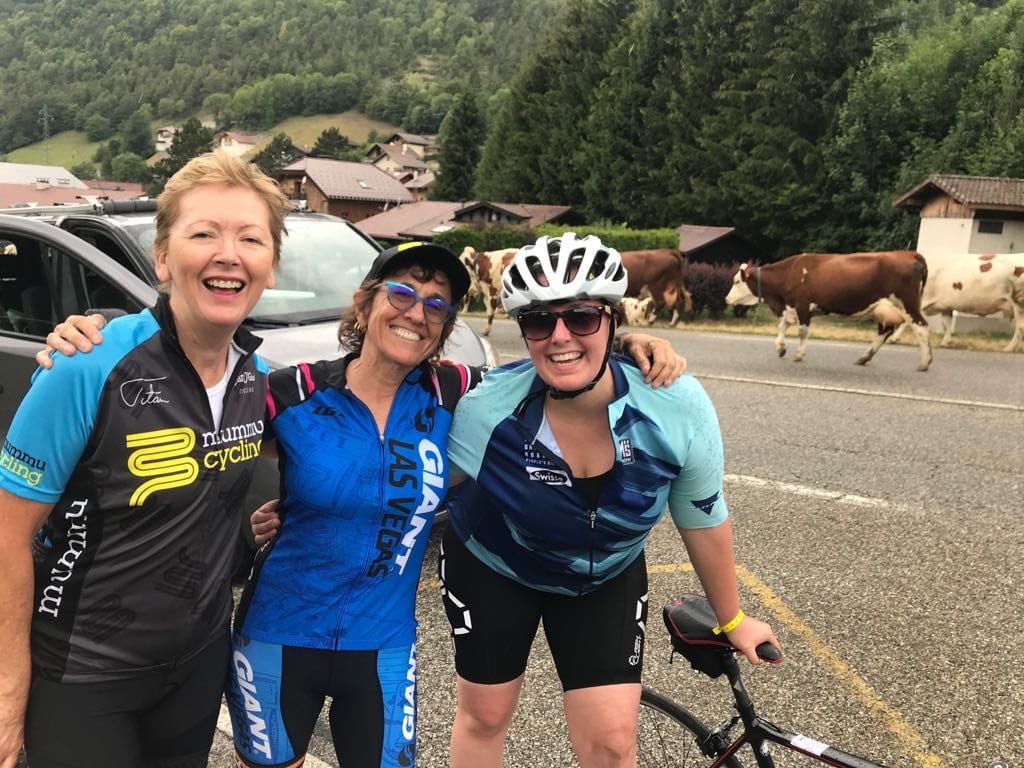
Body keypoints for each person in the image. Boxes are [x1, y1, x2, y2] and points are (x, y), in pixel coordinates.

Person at [37, 237, 684, 768]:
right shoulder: (291, 390)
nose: (417, 312)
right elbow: (196, 427)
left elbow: (557, 368)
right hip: (277, 636)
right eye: (402, 294)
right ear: (366, 303)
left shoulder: (460, 394)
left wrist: (629, 348)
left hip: (383, 644)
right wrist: (94, 338)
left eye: (436, 305)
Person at [438, 232, 781, 768]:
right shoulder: (486, 410)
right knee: (484, 718)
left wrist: (731, 619)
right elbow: (409, 491)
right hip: (494, 568)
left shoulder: (675, 403)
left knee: (613, 743)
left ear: (613, 320)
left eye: (581, 318)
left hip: (604, 577)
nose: (559, 337)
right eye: (539, 322)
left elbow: (703, 518)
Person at [0, 150, 291, 768]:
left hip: (197, 667)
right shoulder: (86, 365)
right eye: (203, 234)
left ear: (270, 266)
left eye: (250, 238)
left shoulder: (257, 377)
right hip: (84, 673)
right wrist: (8, 686)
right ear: (162, 258)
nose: (228, 254)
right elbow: (7, 536)